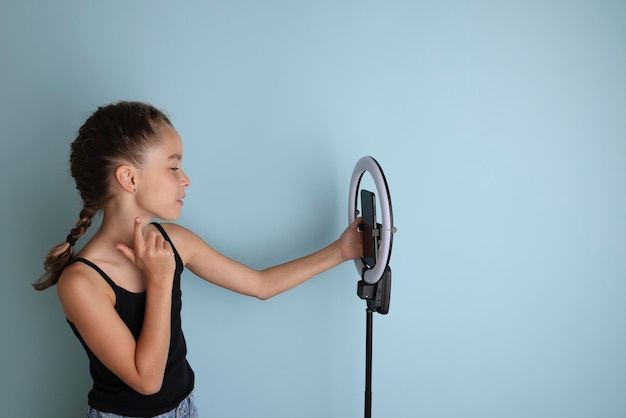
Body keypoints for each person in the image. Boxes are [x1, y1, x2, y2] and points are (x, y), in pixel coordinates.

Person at [33, 101, 363, 418]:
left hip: (184, 408)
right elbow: (146, 381)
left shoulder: (175, 241)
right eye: (173, 167)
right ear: (130, 179)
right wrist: (160, 280)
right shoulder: (81, 282)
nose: (186, 179)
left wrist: (340, 251)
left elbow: (261, 284)